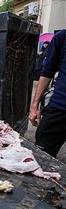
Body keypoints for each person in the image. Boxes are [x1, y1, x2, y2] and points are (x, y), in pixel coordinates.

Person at [29, 29, 66, 158]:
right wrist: (35, 106)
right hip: (59, 109)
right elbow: (47, 72)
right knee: (41, 157)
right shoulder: (62, 37)